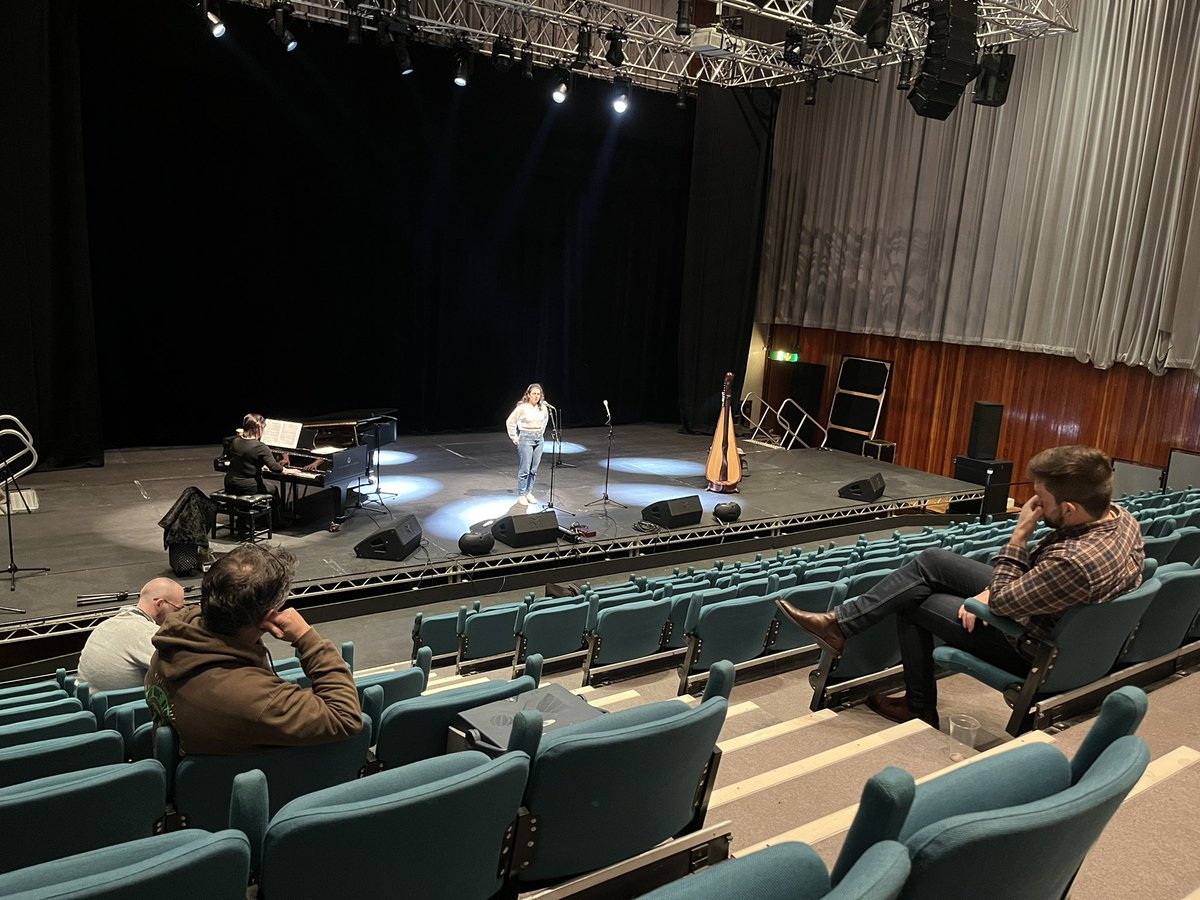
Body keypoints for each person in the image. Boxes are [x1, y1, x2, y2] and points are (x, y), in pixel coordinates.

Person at [776, 445, 1145, 726]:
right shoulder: (1120, 519)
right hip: (1049, 606)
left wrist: (1018, 538)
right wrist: (992, 591)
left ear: (1070, 509)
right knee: (933, 561)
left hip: (1029, 641)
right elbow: (1036, 582)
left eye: (1042, 501)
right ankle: (841, 624)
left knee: (915, 601)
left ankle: (918, 706)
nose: (1033, 507)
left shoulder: (1073, 562)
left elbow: (1003, 602)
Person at [145, 543, 362, 755]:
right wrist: (307, 638)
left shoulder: (173, 637)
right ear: (270, 615)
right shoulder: (257, 699)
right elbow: (345, 718)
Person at [76, 578, 186, 693]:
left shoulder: (105, 625)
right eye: (178, 609)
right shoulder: (148, 633)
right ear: (159, 604)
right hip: (119, 707)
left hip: (88, 701)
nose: (179, 615)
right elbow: (182, 667)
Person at [223, 412, 299, 497]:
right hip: (246, 486)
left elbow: (243, 459)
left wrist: (259, 465)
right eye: (263, 428)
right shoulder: (260, 447)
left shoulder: (235, 441)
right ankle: (275, 510)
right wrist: (289, 471)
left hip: (229, 483)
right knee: (274, 490)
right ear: (258, 428)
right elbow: (274, 467)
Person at [505, 383, 550, 507]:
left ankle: (528, 492)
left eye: (538, 394)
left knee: (534, 469)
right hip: (526, 438)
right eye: (534, 394)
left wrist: (541, 432)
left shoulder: (543, 408)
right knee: (525, 469)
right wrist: (514, 436)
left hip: (538, 439)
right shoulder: (522, 407)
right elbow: (510, 421)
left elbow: (545, 420)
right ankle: (521, 494)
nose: (536, 396)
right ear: (529, 395)